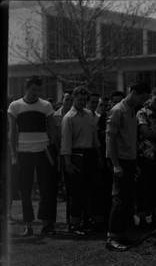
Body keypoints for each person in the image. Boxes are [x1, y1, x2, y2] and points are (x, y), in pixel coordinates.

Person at [8, 75, 59, 236]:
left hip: (43, 150)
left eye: (38, 90)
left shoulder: (46, 105)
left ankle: (45, 223)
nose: (36, 92)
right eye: (33, 89)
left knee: (45, 188)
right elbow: (12, 132)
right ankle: (28, 225)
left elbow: (52, 129)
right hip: (24, 151)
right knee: (25, 189)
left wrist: (53, 149)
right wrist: (13, 154)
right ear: (26, 87)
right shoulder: (15, 106)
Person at [105, 81, 151, 251]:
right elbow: (109, 138)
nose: (142, 101)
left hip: (130, 161)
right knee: (119, 200)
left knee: (128, 200)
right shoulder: (118, 110)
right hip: (120, 161)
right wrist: (116, 164)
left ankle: (122, 233)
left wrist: (135, 163)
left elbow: (131, 140)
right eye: (141, 97)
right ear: (132, 92)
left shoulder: (133, 110)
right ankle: (112, 237)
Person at [60, 86, 102, 234]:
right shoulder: (68, 118)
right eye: (80, 100)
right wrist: (68, 163)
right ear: (74, 99)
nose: (82, 102)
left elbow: (94, 138)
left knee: (91, 190)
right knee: (76, 193)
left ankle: (89, 222)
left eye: (85, 100)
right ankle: (74, 224)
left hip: (89, 154)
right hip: (75, 155)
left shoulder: (90, 115)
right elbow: (65, 143)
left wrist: (99, 156)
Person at [136, 87, 156, 227]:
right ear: (151, 97)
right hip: (146, 154)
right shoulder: (142, 112)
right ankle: (142, 218)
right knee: (144, 187)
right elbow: (146, 133)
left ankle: (155, 215)